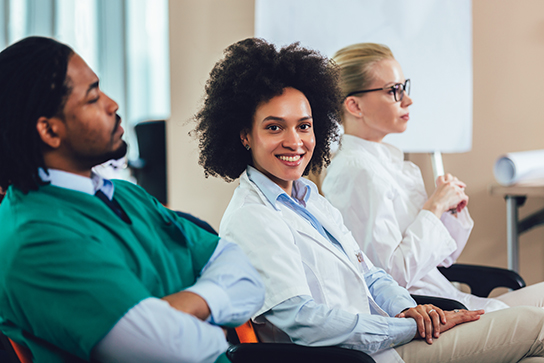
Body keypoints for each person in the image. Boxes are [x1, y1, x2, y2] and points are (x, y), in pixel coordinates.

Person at [194, 37, 544, 363]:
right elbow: (304, 321)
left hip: (388, 341)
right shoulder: (252, 217)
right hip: (362, 356)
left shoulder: (309, 199)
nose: (295, 141)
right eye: (274, 127)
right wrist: (407, 327)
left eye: (304, 126)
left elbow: (372, 274)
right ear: (243, 136)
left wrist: (410, 311)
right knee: (536, 325)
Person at [0, 36, 265, 363]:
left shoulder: (125, 194)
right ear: (50, 131)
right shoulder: (35, 239)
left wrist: (180, 308)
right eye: (93, 97)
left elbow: (248, 278)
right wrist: (217, 318)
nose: (113, 105)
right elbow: (179, 351)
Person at [321, 43, 544, 312]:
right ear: (355, 105)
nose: (407, 100)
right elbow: (389, 280)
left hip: (446, 298)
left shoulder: (386, 163)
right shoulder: (354, 172)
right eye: (394, 91)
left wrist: (448, 211)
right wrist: (433, 208)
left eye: (404, 87)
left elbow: (445, 258)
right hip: (428, 314)